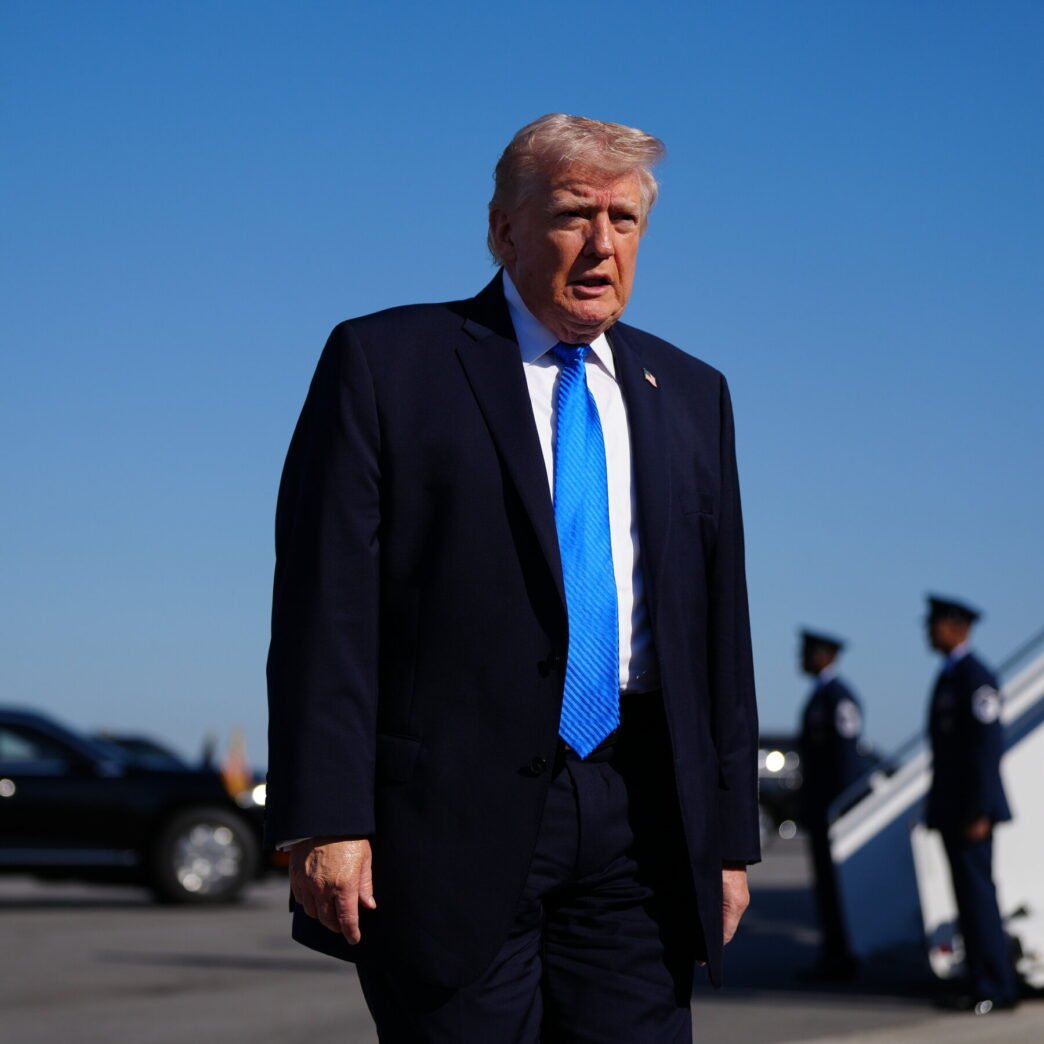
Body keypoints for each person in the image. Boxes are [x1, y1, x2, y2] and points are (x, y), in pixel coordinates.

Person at [266, 113, 761, 1042]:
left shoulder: (693, 394)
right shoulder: (387, 363)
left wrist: (729, 841)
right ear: (502, 228)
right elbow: (325, 610)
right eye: (575, 215)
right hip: (449, 821)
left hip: (640, 815)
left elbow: (717, 632)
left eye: (625, 222)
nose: (602, 246)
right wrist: (324, 817)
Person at [925, 594, 1018, 1014]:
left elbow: (986, 748)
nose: (929, 631)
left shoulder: (975, 677)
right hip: (953, 808)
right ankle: (979, 979)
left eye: (936, 623)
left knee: (979, 898)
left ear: (956, 627)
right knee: (966, 899)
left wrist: (981, 809)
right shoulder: (950, 675)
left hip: (971, 811)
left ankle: (997, 986)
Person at [796, 629, 863, 979]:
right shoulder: (821, 697)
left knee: (837, 889)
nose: (800, 659)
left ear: (825, 656)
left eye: (807, 652)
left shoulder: (839, 698)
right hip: (821, 811)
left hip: (834, 812)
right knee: (825, 888)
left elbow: (847, 760)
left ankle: (843, 957)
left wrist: (843, 809)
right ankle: (832, 954)